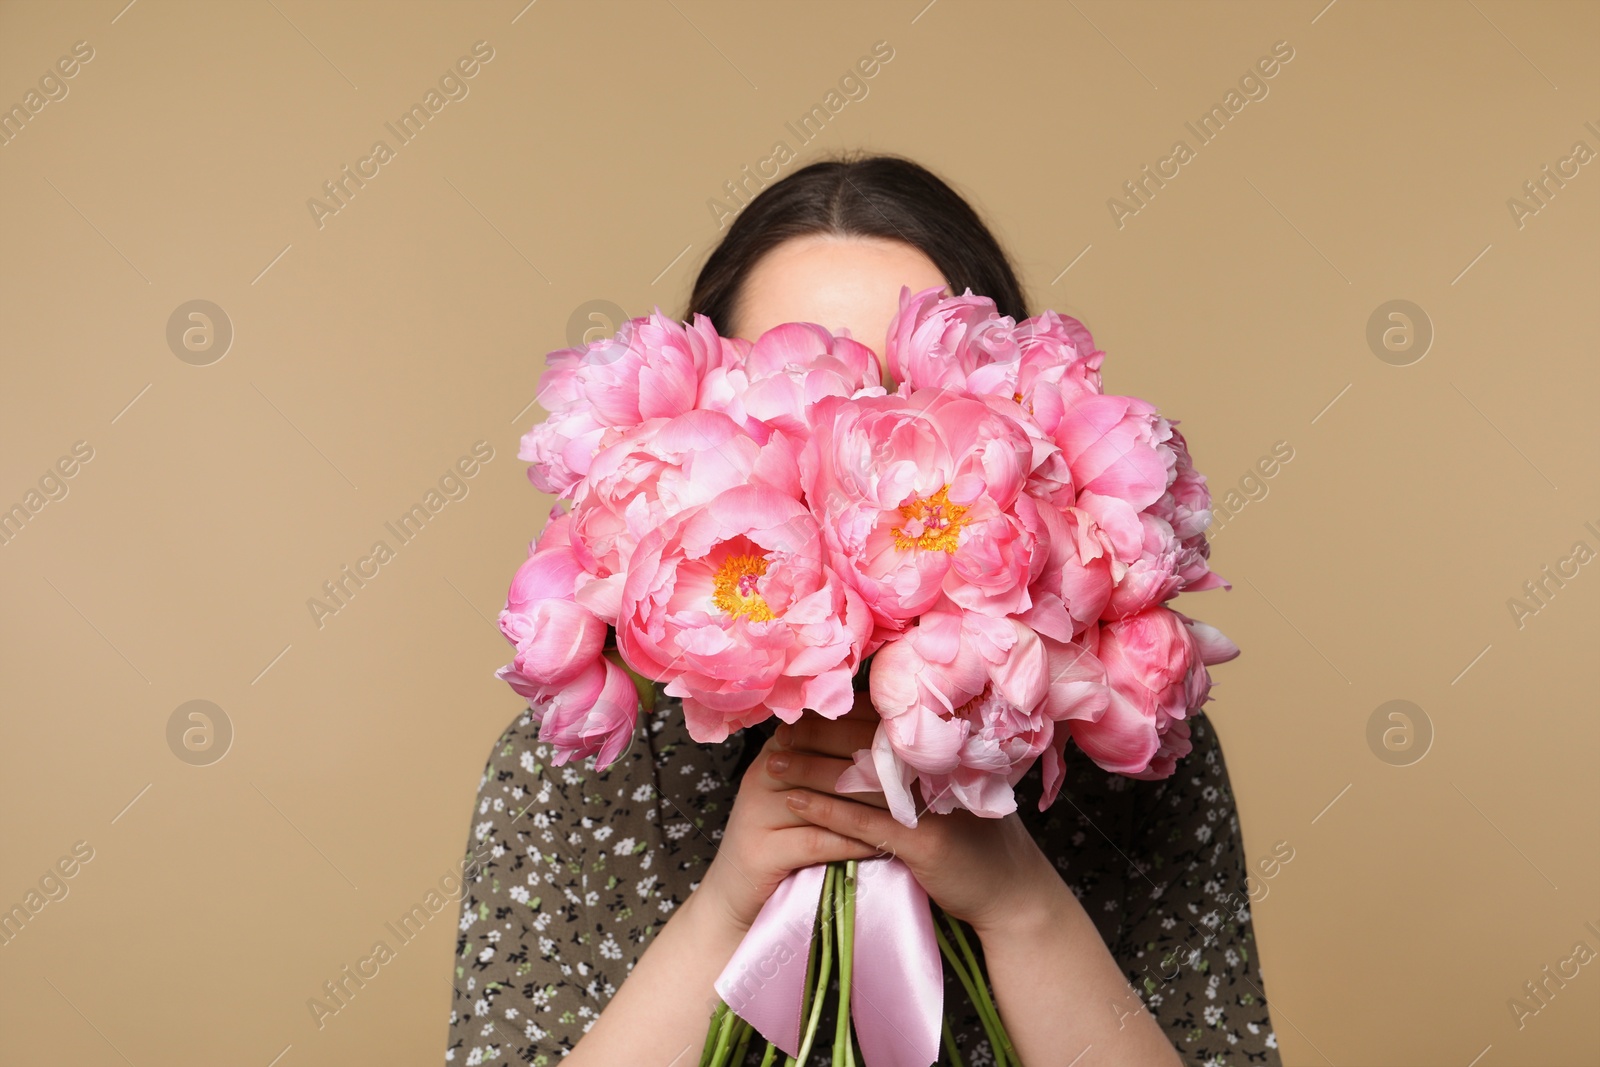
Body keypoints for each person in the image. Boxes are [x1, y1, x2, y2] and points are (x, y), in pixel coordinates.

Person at [444, 156, 1281, 1066]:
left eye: (903, 393)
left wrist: (1017, 905)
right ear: (689, 427)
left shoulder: (1128, 750)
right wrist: (726, 909)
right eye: (800, 389)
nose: (856, 443)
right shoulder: (574, 770)